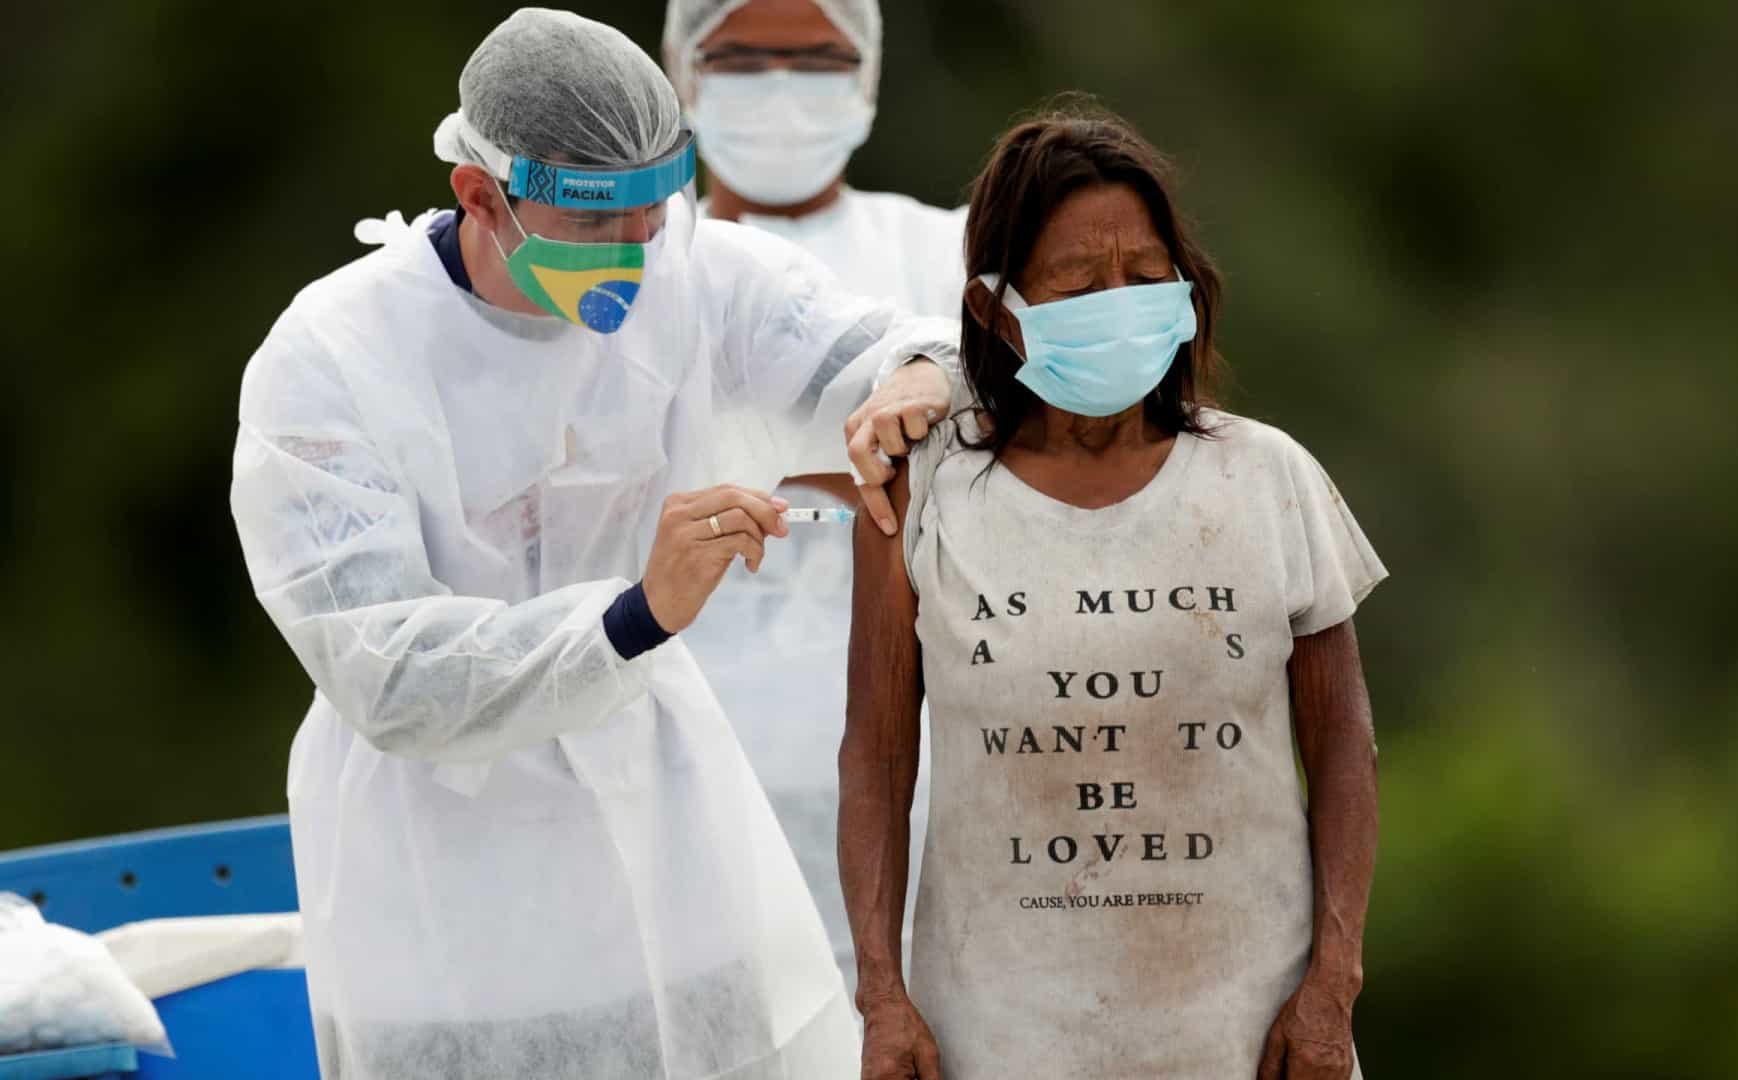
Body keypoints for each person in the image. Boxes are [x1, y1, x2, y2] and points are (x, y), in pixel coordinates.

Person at [228, 9, 960, 1079]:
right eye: (593, 227)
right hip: (441, 892)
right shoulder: (333, 357)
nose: (632, 257)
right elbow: (388, 675)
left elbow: (899, 342)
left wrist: (917, 378)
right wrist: (633, 615)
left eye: (649, 218)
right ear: (479, 195)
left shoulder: (695, 279)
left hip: (664, 838)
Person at [839, 105, 1387, 1080]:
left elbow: (1342, 743)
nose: (1117, 299)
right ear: (997, 310)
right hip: (1000, 1036)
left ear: (1185, 291)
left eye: (1142, 276)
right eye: (1078, 282)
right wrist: (881, 996)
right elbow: (878, 755)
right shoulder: (924, 495)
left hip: (1246, 1034)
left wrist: (1332, 986)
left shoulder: (1269, 480)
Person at [661, 0, 963, 990]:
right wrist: (861, 441)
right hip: (689, 786)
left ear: (866, 78)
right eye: (742, 58)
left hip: (930, 785)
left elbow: (1019, 455)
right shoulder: (625, 268)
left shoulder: (951, 254)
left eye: (817, 60)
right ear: (682, 75)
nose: (782, 88)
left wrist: (749, 447)